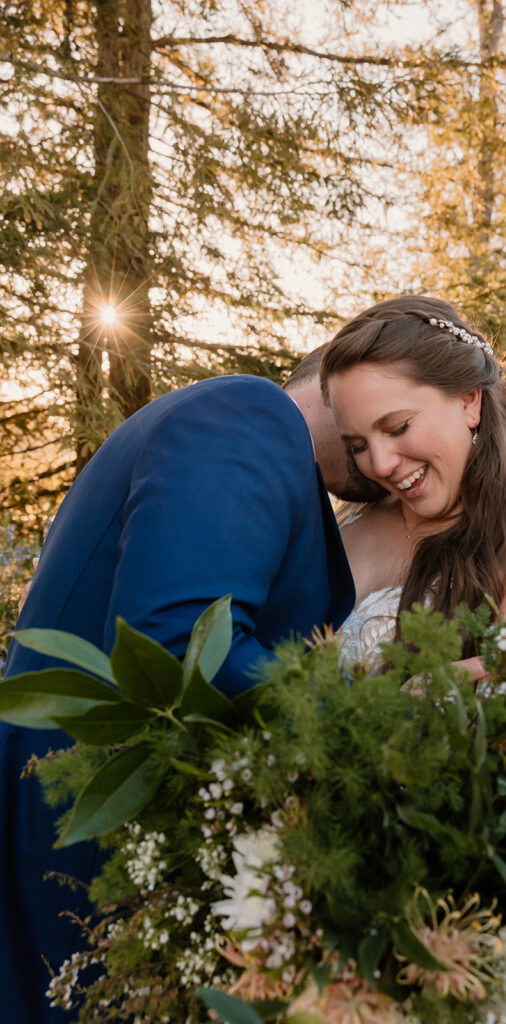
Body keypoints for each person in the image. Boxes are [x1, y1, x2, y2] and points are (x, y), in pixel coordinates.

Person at [0, 370, 383, 1024]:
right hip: (93, 822)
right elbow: (180, 646)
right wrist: (371, 711)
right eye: (382, 424)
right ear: (337, 376)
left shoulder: (235, 434)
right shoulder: (247, 416)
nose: (383, 464)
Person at [321, 296, 506, 707]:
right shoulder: (348, 527)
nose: (381, 465)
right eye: (357, 445)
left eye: (398, 426)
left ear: (468, 401)